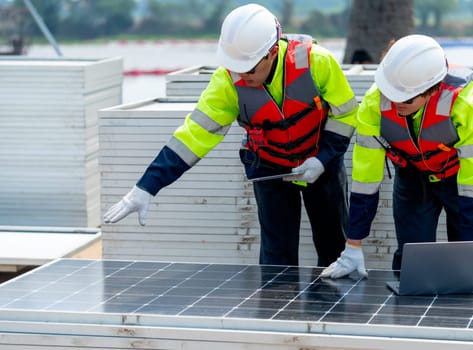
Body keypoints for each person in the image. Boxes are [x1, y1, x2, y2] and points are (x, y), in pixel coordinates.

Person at [103, 3, 359, 267]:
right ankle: (278, 304)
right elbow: (194, 136)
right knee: (276, 254)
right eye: (234, 67)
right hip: (269, 166)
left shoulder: (317, 62)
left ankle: (332, 305)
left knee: (333, 246)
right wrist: (146, 187)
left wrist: (323, 158)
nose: (240, 75)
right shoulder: (227, 81)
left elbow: (347, 114)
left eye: (248, 69)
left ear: (272, 53)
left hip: (322, 161)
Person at [321, 34, 473, 281]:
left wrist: (471, 258)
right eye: (391, 94)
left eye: (406, 99)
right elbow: (365, 180)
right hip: (414, 174)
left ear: (432, 90)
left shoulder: (467, 103)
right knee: (411, 261)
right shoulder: (375, 103)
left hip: (464, 176)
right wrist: (353, 245)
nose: (396, 104)